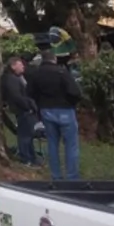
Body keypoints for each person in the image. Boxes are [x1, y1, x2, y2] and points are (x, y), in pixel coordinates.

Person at [27, 50, 82, 179]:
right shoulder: (62, 72)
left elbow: (29, 93)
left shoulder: (36, 74)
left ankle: (56, 176)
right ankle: (72, 177)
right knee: (71, 145)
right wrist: (71, 103)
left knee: (52, 144)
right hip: (65, 109)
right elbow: (75, 92)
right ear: (54, 59)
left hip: (46, 110)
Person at [1, 57, 38, 166]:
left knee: (28, 134)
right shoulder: (11, 79)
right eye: (20, 64)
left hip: (24, 109)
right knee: (24, 136)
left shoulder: (15, 78)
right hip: (22, 110)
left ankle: (31, 157)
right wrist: (28, 106)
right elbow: (16, 96)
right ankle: (26, 159)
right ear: (13, 66)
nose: (23, 66)